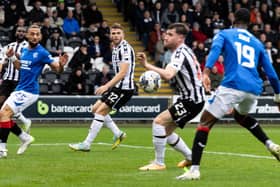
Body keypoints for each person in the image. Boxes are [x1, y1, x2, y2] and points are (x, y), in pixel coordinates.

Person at [176, 8, 280, 180]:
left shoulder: (225, 34)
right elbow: (273, 75)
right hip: (253, 89)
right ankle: (270, 144)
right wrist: (277, 97)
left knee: (205, 122)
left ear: (233, 20)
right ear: (249, 23)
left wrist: (206, 72)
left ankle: (194, 170)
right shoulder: (257, 43)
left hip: (233, 84)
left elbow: (215, 52)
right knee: (241, 117)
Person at [137, 23, 205, 171]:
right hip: (192, 99)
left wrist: (147, 66)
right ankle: (190, 157)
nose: (165, 36)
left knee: (159, 122)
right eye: (165, 34)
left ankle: (159, 163)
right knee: (165, 132)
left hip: (191, 101)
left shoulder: (180, 53)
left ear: (180, 38)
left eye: (170, 34)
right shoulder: (184, 51)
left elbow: (168, 74)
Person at [0, 24, 68, 158]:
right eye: (32, 34)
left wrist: (61, 65)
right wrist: (13, 57)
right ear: (27, 35)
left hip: (29, 91)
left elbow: (57, 70)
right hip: (21, 88)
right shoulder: (25, 50)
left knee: (4, 112)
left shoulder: (42, 52)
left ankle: (2, 149)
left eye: (38, 34)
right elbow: (21, 67)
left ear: (41, 36)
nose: (35, 36)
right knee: (3, 115)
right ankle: (24, 137)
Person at [69, 23, 135, 151]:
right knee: (95, 109)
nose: (115, 36)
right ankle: (118, 134)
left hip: (125, 89)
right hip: (117, 87)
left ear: (123, 34)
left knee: (100, 112)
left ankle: (86, 144)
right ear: (110, 35)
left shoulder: (125, 49)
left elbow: (122, 73)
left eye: (118, 33)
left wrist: (106, 86)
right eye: (113, 33)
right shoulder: (115, 48)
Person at [0, 26, 31, 133]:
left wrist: (18, 56)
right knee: (2, 104)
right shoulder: (10, 45)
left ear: (26, 34)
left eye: (23, 31)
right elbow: (3, 61)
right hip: (7, 78)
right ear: (15, 33)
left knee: (12, 106)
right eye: (19, 31)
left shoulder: (28, 46)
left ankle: (24, 122)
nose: (21, 33)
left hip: (19, 79)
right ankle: (23, 121)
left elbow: (28, 63)